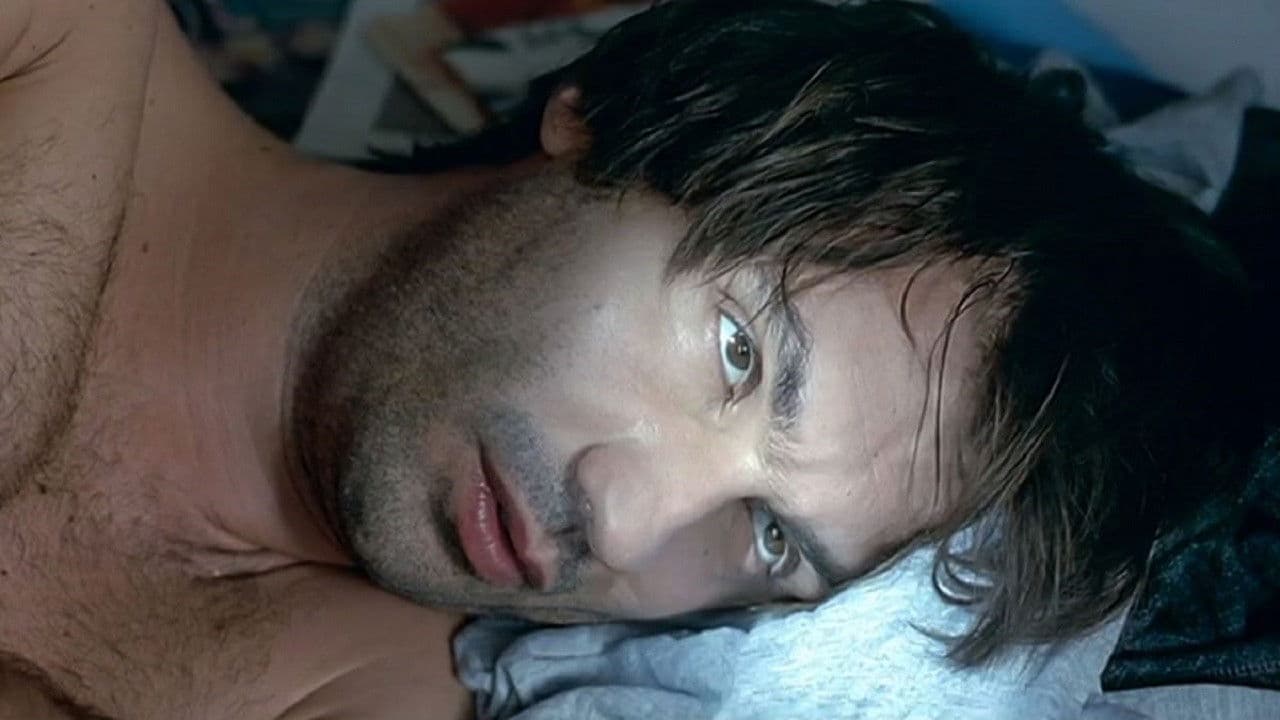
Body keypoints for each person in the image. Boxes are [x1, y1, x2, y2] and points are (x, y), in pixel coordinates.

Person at [0, 0, 1265, 718]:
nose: (624, 520)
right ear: (605, 117)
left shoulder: (364, 685)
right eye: (737, 353)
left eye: (770, 539)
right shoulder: (55, 46)